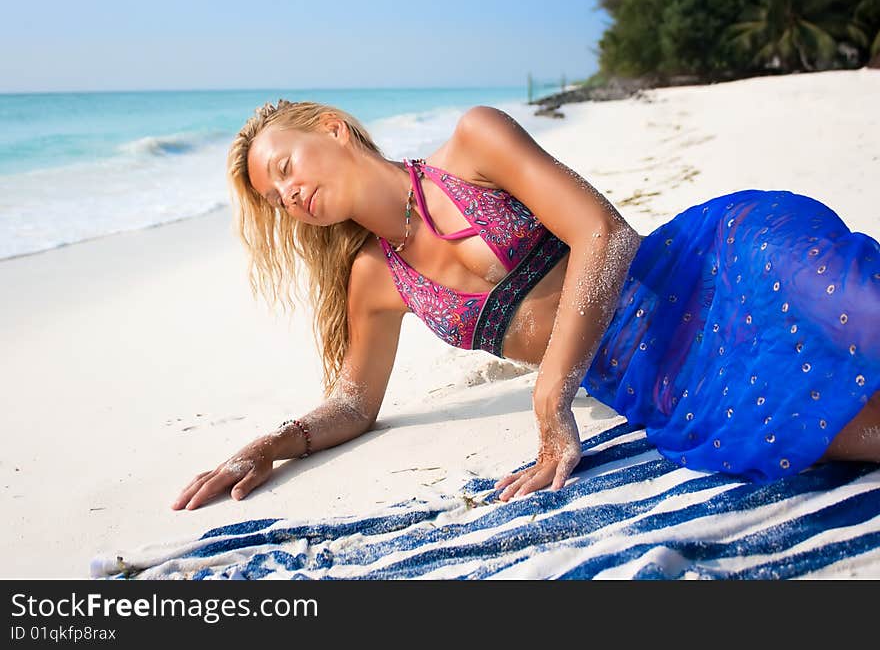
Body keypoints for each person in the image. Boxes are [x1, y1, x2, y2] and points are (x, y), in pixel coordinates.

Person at [172, 100, 880, 512]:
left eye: (284, 168)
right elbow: (356, 402)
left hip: (703, 268)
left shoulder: (474, 143)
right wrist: (273, 441)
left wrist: (551, 394)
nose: (288, 195)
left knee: (863, 310)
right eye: (274, 198)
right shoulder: (374, 279)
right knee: (847, 429)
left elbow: (604, 234)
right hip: (666, 385)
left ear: (330, 128)